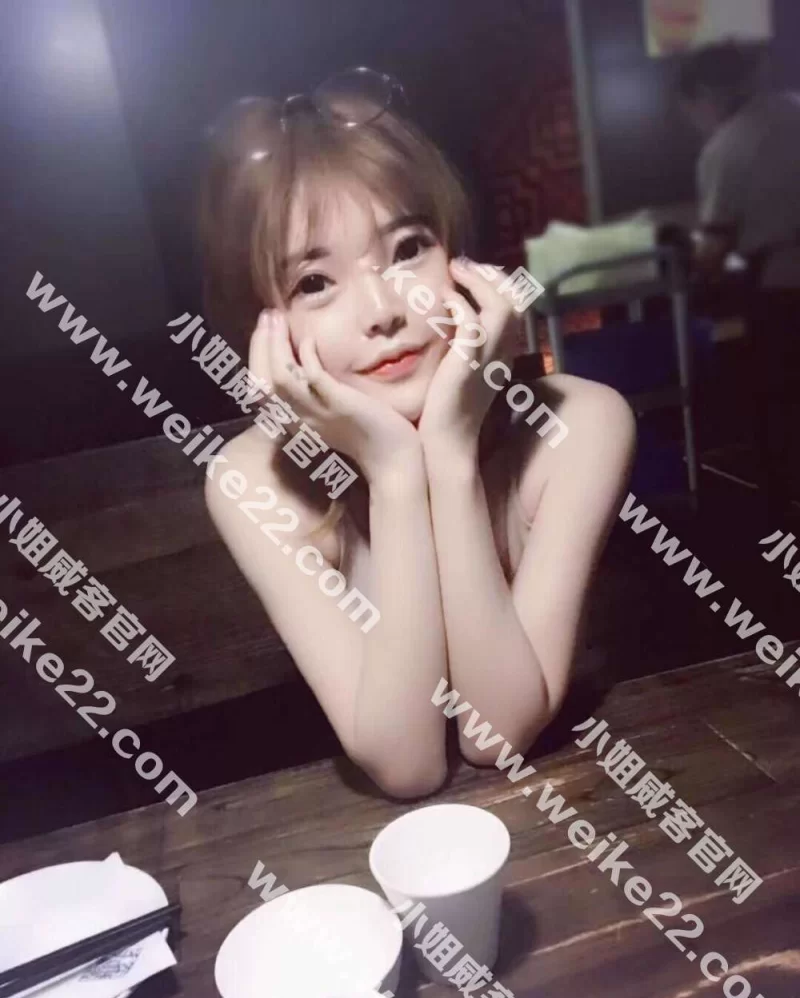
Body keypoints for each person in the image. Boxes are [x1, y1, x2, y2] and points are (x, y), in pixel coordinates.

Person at [198, 69, 635, 799]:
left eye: (407, 249)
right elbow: (407, 764)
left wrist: (450, 452)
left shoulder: (581, 423)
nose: (382, 311)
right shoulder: (250, 482)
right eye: (314, 283)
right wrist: (396, 474)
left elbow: (495, 736)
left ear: (462, 262)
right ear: (265, 329)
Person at [677, 41, 800, 521]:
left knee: (776, 407)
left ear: (705, 95)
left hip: (781, 292)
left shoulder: (728, 147)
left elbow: (715, 246)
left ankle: (782, 521)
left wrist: (692, 279)